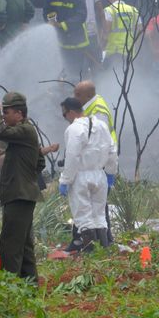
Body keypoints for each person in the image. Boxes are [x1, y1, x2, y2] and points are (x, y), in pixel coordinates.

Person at [0, 92, 44, 281]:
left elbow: (1, 132)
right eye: (3, 112)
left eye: (7, 112)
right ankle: (29, 285)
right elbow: (40, 162)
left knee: (10, 244)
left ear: (19, 114)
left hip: (19, 195)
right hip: (22, 194)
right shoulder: (25, 134)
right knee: (24, 244)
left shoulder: (24, 131)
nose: (4, 116)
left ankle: (9, 288)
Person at [58, 97, 117, 251]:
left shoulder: (74, 129)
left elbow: (72, 156)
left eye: (64, 115)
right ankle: (103, 249)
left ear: (71, 112)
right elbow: (112, 150)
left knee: (83, 215)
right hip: (100, 175)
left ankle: (89, 251)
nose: (65, 118)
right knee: (99, 214)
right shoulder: (102, 125)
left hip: (81, 176)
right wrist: (110, 172)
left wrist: (65, 180)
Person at [72, 81, 118, 247]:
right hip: (97, 162)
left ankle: (100, 241)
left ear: (88, 95)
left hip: (100, 162)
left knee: (96, 204)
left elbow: (99, 139)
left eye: (78, 95)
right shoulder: (91, 105)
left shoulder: (98, 110)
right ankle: (100, 241)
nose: (74, 98)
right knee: (94, 203)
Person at [43, 0, 89, 81]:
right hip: (61, 42)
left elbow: (81, 16)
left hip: (77, 42)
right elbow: (47, 14)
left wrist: (62, 25)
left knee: (78, 73)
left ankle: (80, 93)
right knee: (63, 72)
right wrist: (50, 22)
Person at [71, 0, 105, 71]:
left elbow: (100, 10)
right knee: (78, 65)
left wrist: (103, 32)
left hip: (92, 33)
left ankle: (98, 86)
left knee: (95, 64)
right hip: (76, 34)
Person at [102, 0, 141, 72]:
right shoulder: (133, 10)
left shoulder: (109, 10)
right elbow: (140, 30)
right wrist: (136, 47)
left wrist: (102, 47)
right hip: (129, 51)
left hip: (114, 51)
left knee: (108, 75)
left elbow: (106, 31)